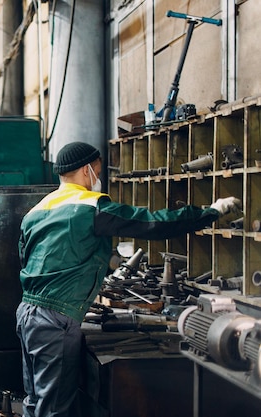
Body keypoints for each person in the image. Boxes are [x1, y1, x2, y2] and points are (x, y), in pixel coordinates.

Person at [15, 141, 241, 417]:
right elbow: (153, 223)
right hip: (56, 319)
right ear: (87, 170)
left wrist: (101, 263)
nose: (98, 176)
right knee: (54, 409)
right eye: (97, 169)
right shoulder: (91, 206)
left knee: (34, 399)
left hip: (27, 313)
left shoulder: (35, 211)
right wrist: (211, 212)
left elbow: (29, 258)